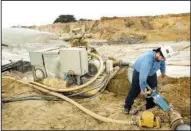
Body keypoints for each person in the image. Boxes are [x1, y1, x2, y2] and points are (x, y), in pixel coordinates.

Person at [124, 45, 175, 114]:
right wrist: (142, 89)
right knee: (135, 90)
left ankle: (150, 106)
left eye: (163, 58)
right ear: (158, 53)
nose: (162, 59)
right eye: (162, 58)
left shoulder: (161, 57)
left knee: (153, 90)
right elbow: (142, 78)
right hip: (139, 72)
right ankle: (127, 106)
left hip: (151, 73)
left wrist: (163, 72)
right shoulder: (147, 61)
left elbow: (162, 63)